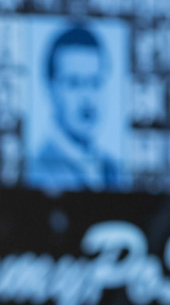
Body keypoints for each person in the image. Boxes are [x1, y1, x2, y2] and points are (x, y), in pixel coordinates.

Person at [29, 25, 121, 190]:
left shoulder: (113, 169)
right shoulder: (36, 171)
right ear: (51, 89)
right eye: (74, 83)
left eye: (95, 82)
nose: (87, 98)